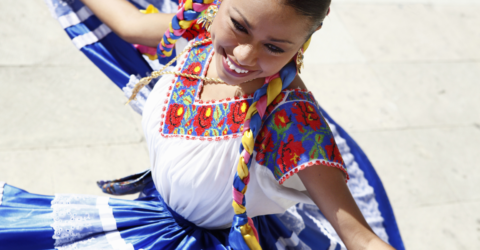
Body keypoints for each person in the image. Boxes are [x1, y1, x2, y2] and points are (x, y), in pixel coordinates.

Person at [0, 0, 404, 249]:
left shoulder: (292, 125)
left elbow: (361, 238)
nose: (244, 55)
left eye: (275, 47)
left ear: (307, 39)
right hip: (153, 218)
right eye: (239, 25)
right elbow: (129, 25)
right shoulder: (200, 26)